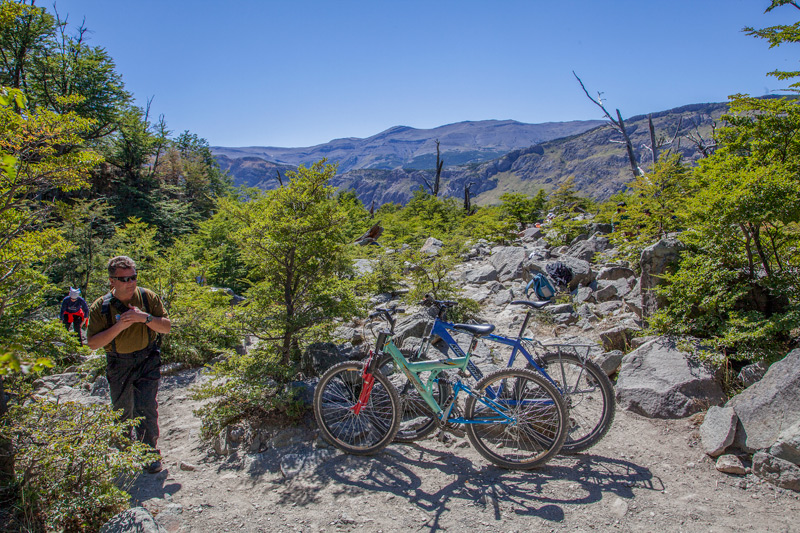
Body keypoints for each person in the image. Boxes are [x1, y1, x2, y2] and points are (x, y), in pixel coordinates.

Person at [87, 256, 171, 474]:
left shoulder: (147, 297)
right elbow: (93, 343)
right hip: (118, 362)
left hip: (147, 358)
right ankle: (124, 452)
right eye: (124, 279)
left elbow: (166, 327)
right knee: (122, 409)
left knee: (147, 406)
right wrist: (121, 325)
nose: (130, 282)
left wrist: (144, 318)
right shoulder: (101, 307)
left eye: (133, 277)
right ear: (112, 281)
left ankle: (149, 452)